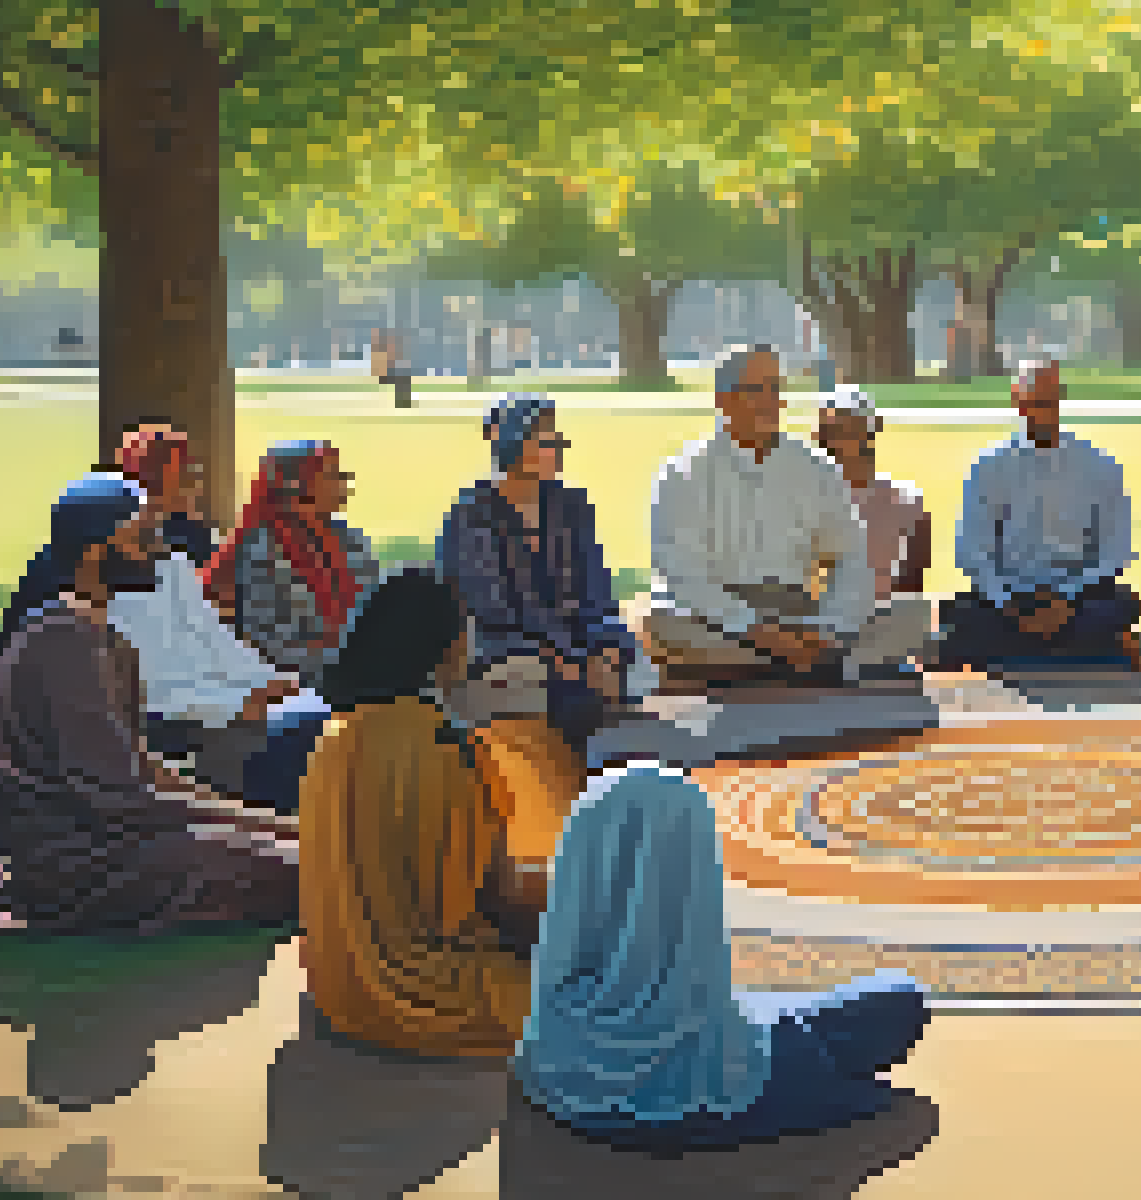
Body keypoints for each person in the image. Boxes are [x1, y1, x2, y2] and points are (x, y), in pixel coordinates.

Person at [0, 475, 299, 934]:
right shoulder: (65, 644)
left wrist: (269, 822)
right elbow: (127, 797)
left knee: (296, 851)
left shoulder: (99, 635)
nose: (159, 550)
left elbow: (145, 770)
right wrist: (263, 830)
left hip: (118, 842)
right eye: (143, 537)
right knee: (310, 870)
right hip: (82, 866)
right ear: (96, 552)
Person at [514, 759, 930, 1150]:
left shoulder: (553, 1016)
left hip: (610, 1076)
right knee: (897, 998)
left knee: (788, 1009)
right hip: (714, 1061)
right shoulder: (701, 1038)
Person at [298, 568, 548, 1059]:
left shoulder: (333, 739)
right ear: (444, 648)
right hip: (432, 992)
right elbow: (499, 898)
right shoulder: (444, 744)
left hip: (337, 988)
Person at [109, 424, 329, 815]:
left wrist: (267, 679)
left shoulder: (172, 563)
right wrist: (237, 701)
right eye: (187, 474)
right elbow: (145, 684)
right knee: (295, 730)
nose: (195, 484)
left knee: (318, 712)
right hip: (178, 711)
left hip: (213, 693)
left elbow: (213, 635)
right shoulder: (109, 589)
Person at [634, 345, 883, 686]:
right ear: (725, 400)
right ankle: (798, 666)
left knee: (907, 616)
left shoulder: (815, 466)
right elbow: (681, 575)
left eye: (775, 389)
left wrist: (832, 626)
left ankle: (771, 665)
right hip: (717, 616)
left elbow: (853, 555)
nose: (770, 401)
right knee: (659, 621)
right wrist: (753, 628)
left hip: (798, 613)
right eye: (756, 390)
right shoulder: (684, 471)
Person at [437, 392, 637, 747]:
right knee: (578, 702)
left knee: (624, 673)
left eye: (558, 439)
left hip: (575, 655)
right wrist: (563, 660)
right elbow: (487, 614)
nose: (559, 448)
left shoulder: (571, 506)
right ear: (514, 444)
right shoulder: (471, 515)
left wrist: (605, 650)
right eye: (546, 439)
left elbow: (598, 596)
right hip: (505, 653)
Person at [938, 360, 1141, 670]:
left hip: (1078, 596)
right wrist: (1010, 606)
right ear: (1017, 400)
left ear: (1061, 398)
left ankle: (1025, 647)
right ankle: (1080, 649)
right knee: (959, 613)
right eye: (1034, 402)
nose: (1042, 412)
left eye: (1049, 402)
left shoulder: (1099, 466)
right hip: (1009, 598)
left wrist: (1064, 600)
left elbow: (1115, 552)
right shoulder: (989, 467)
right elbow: (972, 551)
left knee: (1124, 605)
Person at [205, 441, 381, 695]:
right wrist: (349, 662)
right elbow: (268, 641)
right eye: (331, 474)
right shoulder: (258, 550)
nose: (344, 481)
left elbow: (373, 609)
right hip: (291, 684)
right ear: (299, 485)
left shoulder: (350, 540)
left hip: (353, 669)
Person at [812, 386, 941, 677]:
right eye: (830, 429)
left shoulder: (908, 501)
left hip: (881, 622)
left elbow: (912, 585)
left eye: (846, 427)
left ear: (871, 429)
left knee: (912, 615)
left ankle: (861, 662)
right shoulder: (805, 499)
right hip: (825, 626)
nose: (836, 437)